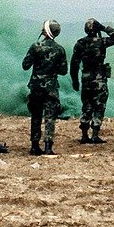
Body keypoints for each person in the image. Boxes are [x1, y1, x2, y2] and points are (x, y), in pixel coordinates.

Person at [70, 18, 114, 144]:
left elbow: (74, 64)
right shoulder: (101, 42)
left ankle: (84, 135)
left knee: (86, 106)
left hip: (86, 79)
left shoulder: (80, 43)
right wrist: (103, 27)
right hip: (99, 79)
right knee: (99, 106)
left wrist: (75, 80)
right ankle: (95, 135)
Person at [22, 19, 68, 156]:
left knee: (36, 116)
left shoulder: (35, 46)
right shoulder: (60, 49)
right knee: (50, 117)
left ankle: (35, 146)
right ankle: (48, 146)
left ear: (46, 31)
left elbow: (25, 65)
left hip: (36, 87)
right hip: (51, 88)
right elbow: (64, 70)